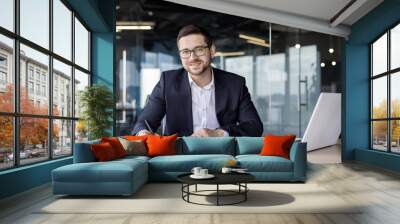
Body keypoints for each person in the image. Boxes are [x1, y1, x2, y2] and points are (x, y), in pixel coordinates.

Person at [132, 25, 263, 137]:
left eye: (199, 50)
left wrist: (219, 133)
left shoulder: (235, 84)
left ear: (211, 51)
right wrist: (144, 133)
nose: (192, 57)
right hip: (179, 155)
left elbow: (254, 126)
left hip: (223, 154)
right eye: (185, 52)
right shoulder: (168, 82)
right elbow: (144, 123)